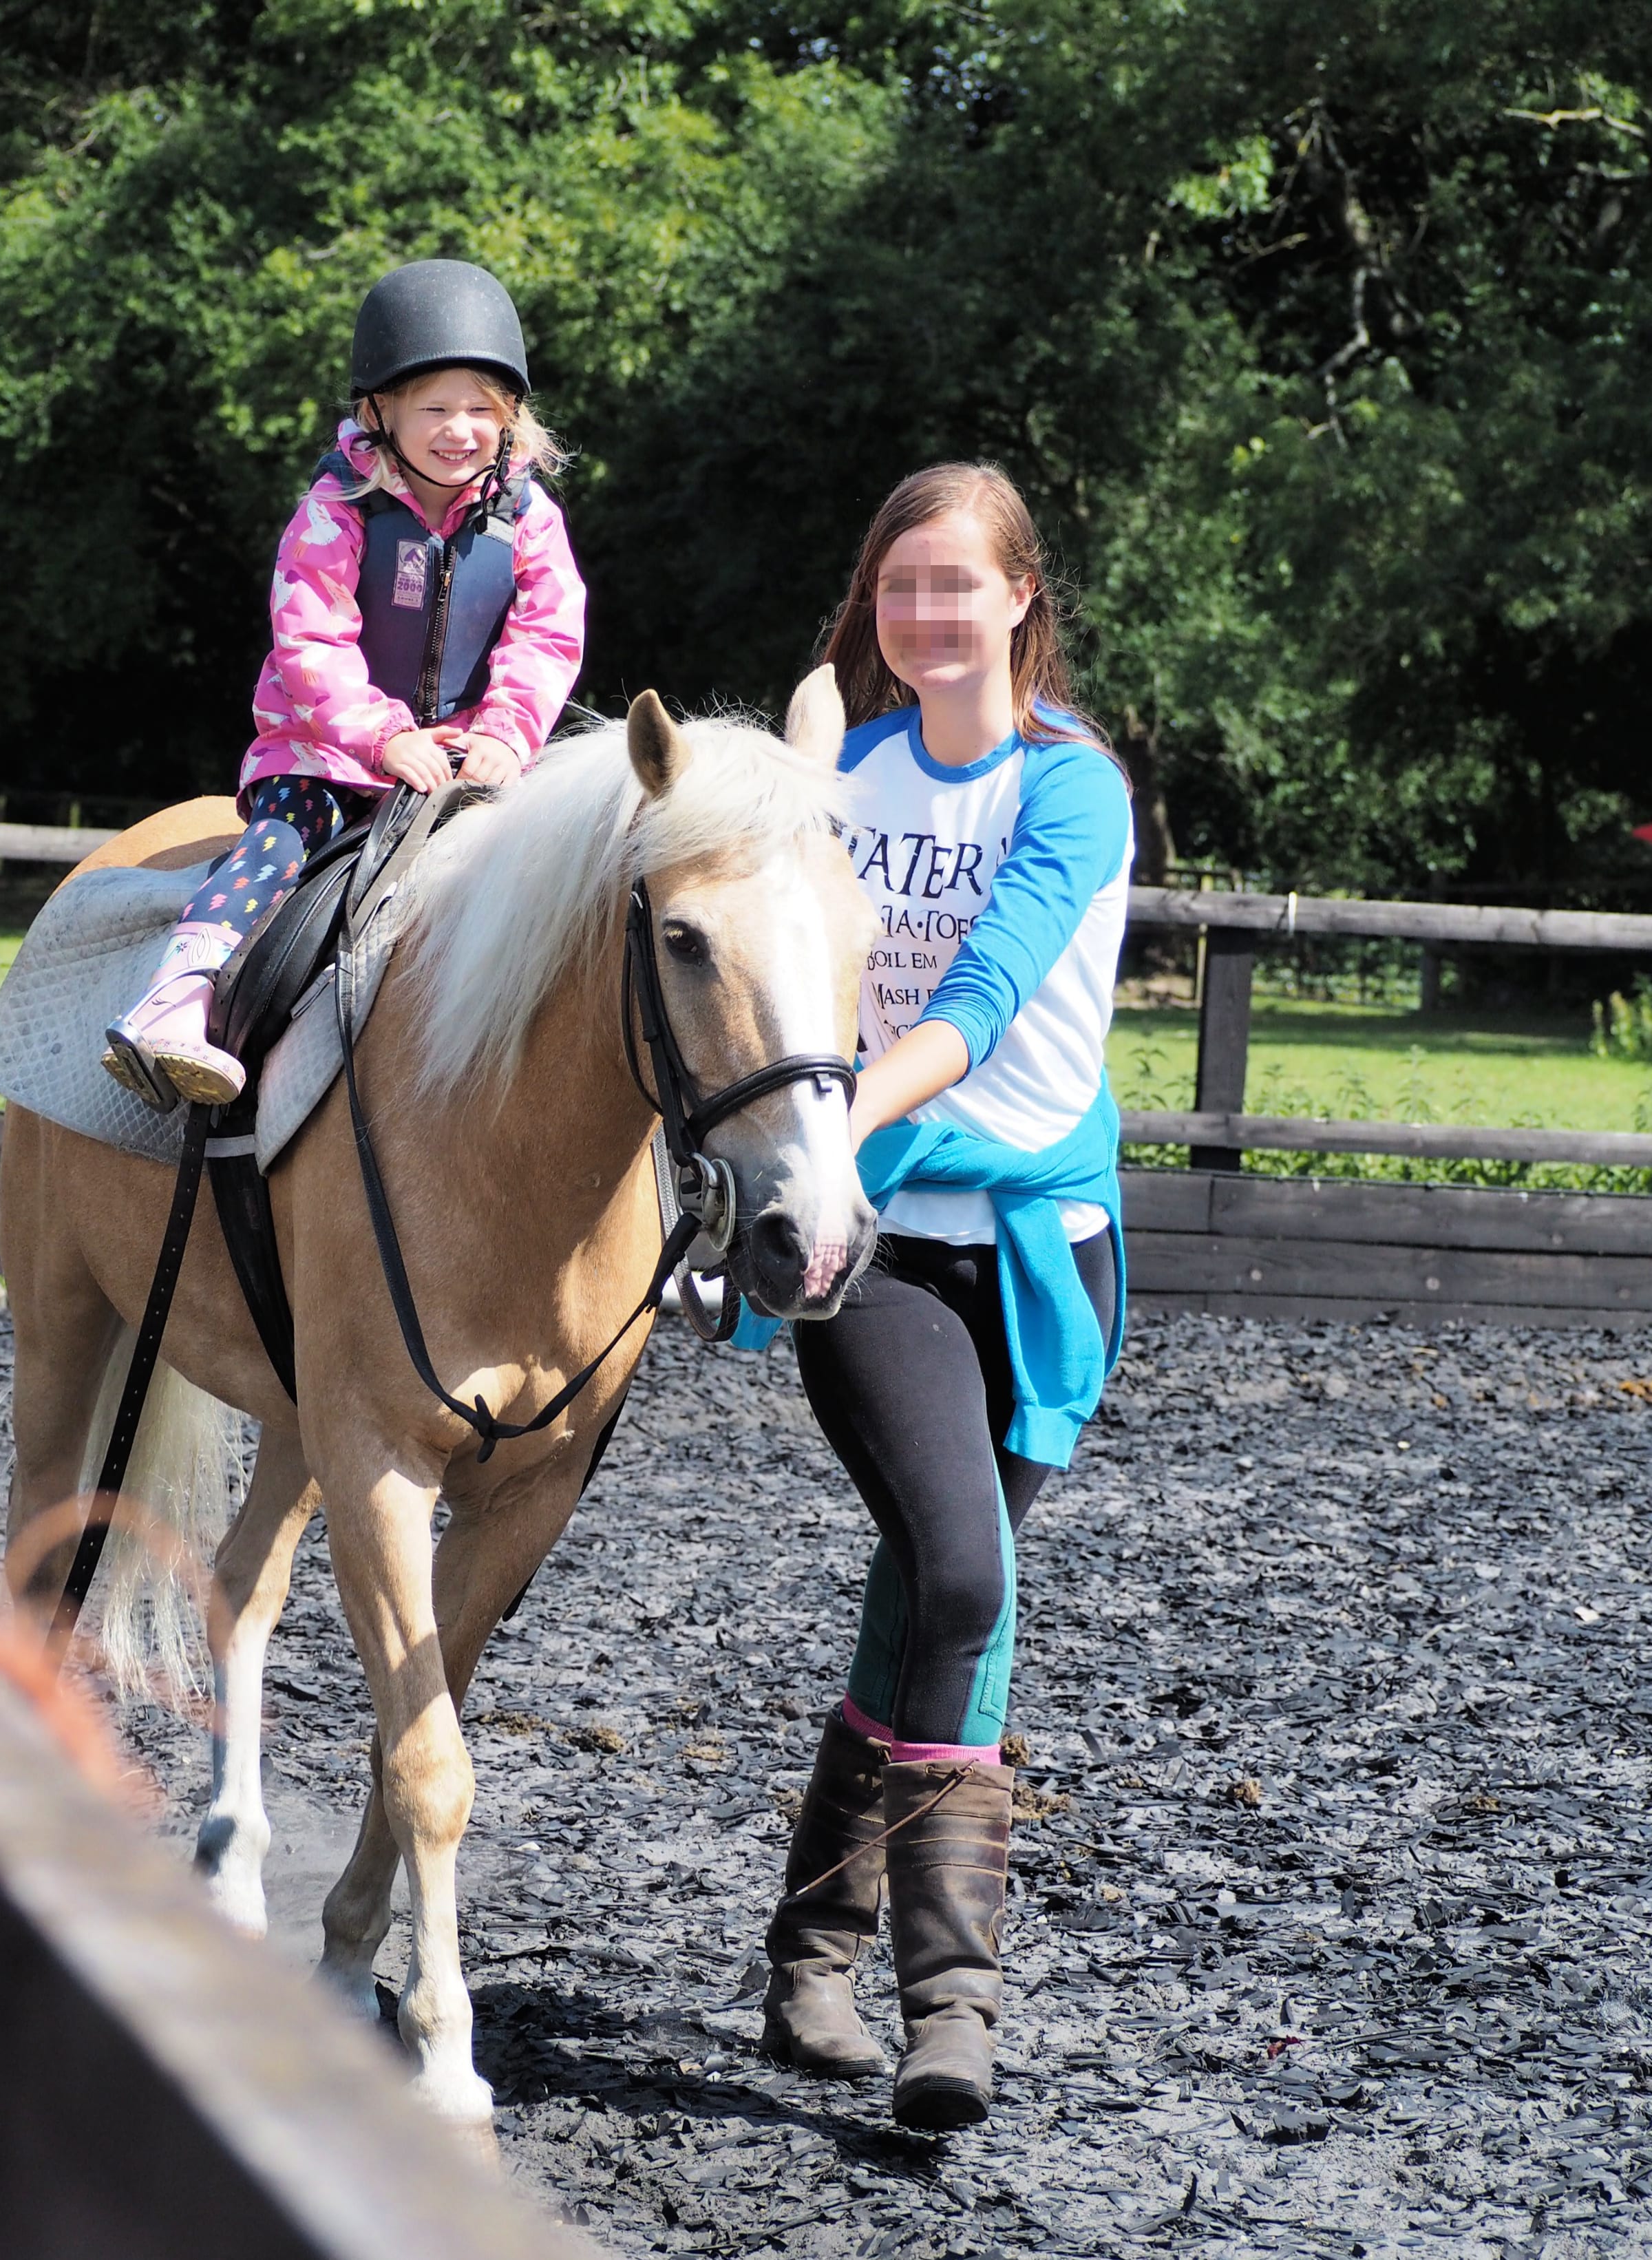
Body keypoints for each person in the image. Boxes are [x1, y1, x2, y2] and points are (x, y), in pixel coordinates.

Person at [759, 463, 1131, 2132]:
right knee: (964, 1576)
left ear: (1016, 601)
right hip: (880, 1242)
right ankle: (950, 2011)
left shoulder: (1070, 792)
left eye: (952, 586)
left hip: (1048, 1249)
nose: (921, 614)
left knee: (917, 1598)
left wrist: (846, 1099)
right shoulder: (842, 775)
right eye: (895, 585)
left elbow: (983, 998)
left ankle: (805, 1954)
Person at [103, 259, 586, 1110]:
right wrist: (381, 736)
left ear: (510, 418)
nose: (459, 429)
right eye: (434, 407)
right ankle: (178, 998)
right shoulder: (337, 509)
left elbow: (547, 635)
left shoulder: (530, 518)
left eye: (481, 408)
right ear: (380, 412)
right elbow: (312, 636)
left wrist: (507, 736)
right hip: (333, 757)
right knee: (279, 844)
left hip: (469, 761)